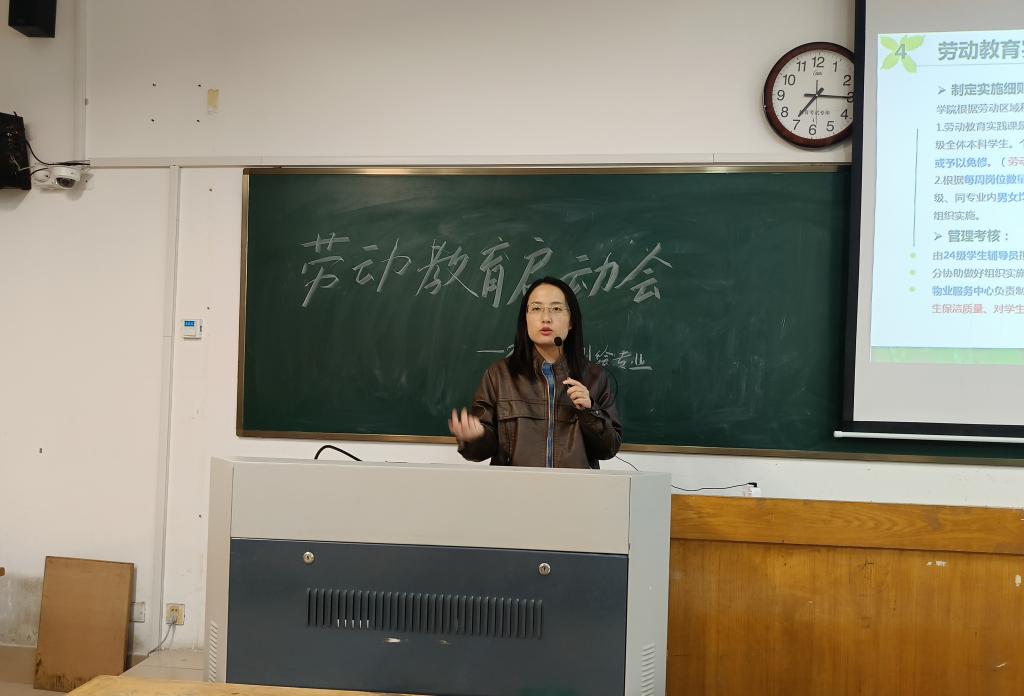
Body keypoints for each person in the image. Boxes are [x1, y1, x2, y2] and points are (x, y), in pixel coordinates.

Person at [449, 276, 622, 468]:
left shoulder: (595, 377)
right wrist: (475, 437)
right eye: (536, 308)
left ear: (571, 321)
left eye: (556, 309)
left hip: (575, 486)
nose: (545, 318)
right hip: (515, 485)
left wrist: (590, 411)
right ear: (525, 319)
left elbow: (608, 449)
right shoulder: (499, 375)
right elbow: (481, 451)